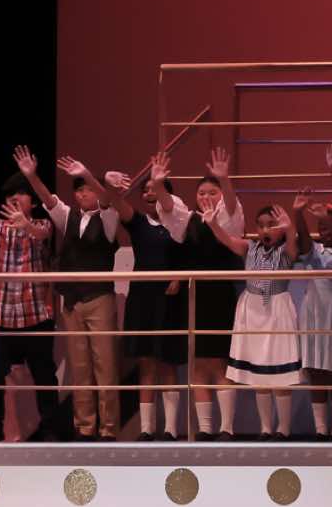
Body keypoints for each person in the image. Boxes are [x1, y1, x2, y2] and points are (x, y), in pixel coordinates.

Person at [17, 149, 125, 441]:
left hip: (99, 299)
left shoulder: (108, 217)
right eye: (79, 190)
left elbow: (107, 199)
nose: (84, 194)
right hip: (72, 302)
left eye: (88, 189)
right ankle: (85, 427)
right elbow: (49, 199)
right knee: (79, 368)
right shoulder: (69, 217)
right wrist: (32, 176)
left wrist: (88, 173)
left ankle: (108, 429)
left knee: (105, 366)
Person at [0, 169, 72, 443]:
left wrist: (25, 225)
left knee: (44, 376)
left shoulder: (42, 224)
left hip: (36, 317)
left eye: (21, 194)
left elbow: (40, 235)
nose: (15, 198)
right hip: (4, 319)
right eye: (11, 195)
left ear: (32, 202)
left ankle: (50, 431)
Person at [152, 149, 246, 440]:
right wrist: (158, 184)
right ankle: (205, 429)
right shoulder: (188, 219)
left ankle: (227, 428)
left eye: (212, 192)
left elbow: (232, 206)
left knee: (220, 362)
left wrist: (224, 179)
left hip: (221, 294)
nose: (207, 196)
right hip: (194, 297)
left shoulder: (229, 217)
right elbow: (169, 206)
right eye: (202, 192)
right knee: (198, 363)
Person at [105, 166, 187, 440]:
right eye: (146, 190)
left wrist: (179, 276)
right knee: (147, 364)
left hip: (170, 299)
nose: (150, 194)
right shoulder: (138, 222)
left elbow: (188, 257)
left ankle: (171, 429)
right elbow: (116, 202)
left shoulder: (180, 222)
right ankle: (146, 429)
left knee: (168, 364)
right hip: (142, 299)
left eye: (156, 189)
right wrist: (110, 185)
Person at [216, 196, 309, 438]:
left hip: (277, 309)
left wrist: (289, 229)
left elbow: (293, 247)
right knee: (259, 375)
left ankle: (283, 429)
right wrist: (212, 223)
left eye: (272, 225)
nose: (266, 230)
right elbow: (227, 240)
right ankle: (266, 428)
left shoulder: (285, 251)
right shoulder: (250, 248)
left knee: (280, 375)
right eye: (261, 225)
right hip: (252, 309)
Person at [296, 161, 332, 439]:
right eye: (321, 227)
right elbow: (303, 240)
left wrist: (330, 218)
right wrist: (298, 213)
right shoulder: (314, 250)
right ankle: (320, 428)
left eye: (329, 227)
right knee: (316, 370)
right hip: (312, 312)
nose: (325, 232)